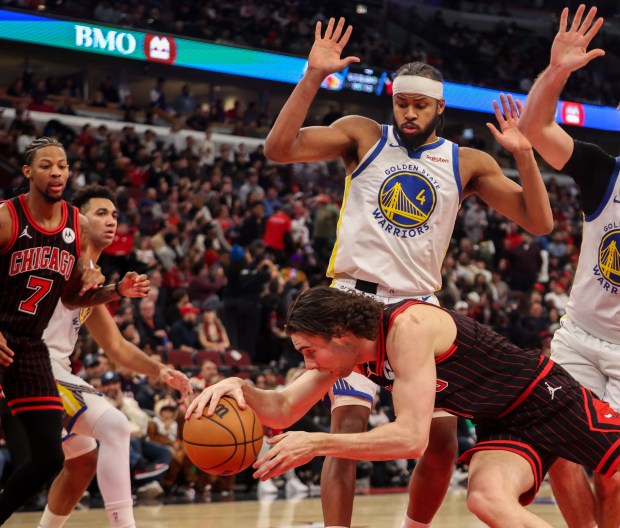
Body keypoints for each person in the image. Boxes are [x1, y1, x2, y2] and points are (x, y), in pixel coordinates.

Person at [263, 17, 553, 528]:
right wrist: (312, 77)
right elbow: (278, 149)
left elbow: (539, 221)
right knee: (347, 433)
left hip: (418, 309)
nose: (409, 113)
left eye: (420, 105)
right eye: (402, 103)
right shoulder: (364, 134)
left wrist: (526, 157)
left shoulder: (467, 162)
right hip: (353, 300)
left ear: (440, 106)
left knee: (440, 445)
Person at [188, 287, 620, 528]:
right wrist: (238, 386)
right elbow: (281, 409)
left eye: (308, 351)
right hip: (501, 421)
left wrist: (317, 442)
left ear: (340, 333)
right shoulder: (352, 352)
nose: (308, 364)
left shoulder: (407, 328)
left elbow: (413, 438)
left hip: (543, 395)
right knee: (487, 500)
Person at [0, 137, 148, 525]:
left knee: (51, 459)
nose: (56, 172)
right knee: (99, 437)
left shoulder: (74, 225)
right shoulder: (6, 217)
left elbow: (69, 296)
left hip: (28, 351)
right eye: (46, 165)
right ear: (28, 172)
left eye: (63, 166)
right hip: (6, 338)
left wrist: (115, 290)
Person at [518, 5, 620, 528]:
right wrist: (557, 71)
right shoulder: (605, 172)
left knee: (614, 474)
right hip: (579, 335)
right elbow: (534, 127)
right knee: (556, 452)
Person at [37, 184, 191, 528]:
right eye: (101, 213)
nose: (111, 221)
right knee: (116, 426)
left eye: (115, 215)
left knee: (82, 463)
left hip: (54, 368)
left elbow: (117, 347)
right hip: (36, 364)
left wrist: (162, 371)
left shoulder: (92, 272)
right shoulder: (65, 257)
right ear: (77, 219)